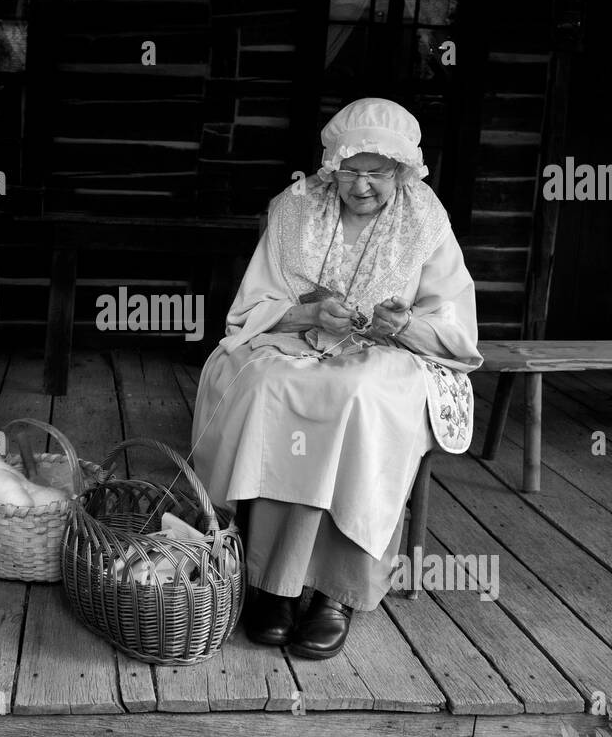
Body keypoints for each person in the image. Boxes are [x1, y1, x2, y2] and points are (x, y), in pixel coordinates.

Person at [190, 97, 481, 659]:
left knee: (355, 395)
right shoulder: (295, 207)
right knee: (269, 386)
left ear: (403, 171)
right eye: (351, 170)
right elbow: (253, 305)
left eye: (378, 173)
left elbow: (452, 321)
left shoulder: (426, 219)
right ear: (332, 166)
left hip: (390, 355)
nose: (363, 185)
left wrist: (406, 322)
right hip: (297, 340)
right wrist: (309, 314)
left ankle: (333, 592)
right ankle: (268, 584)